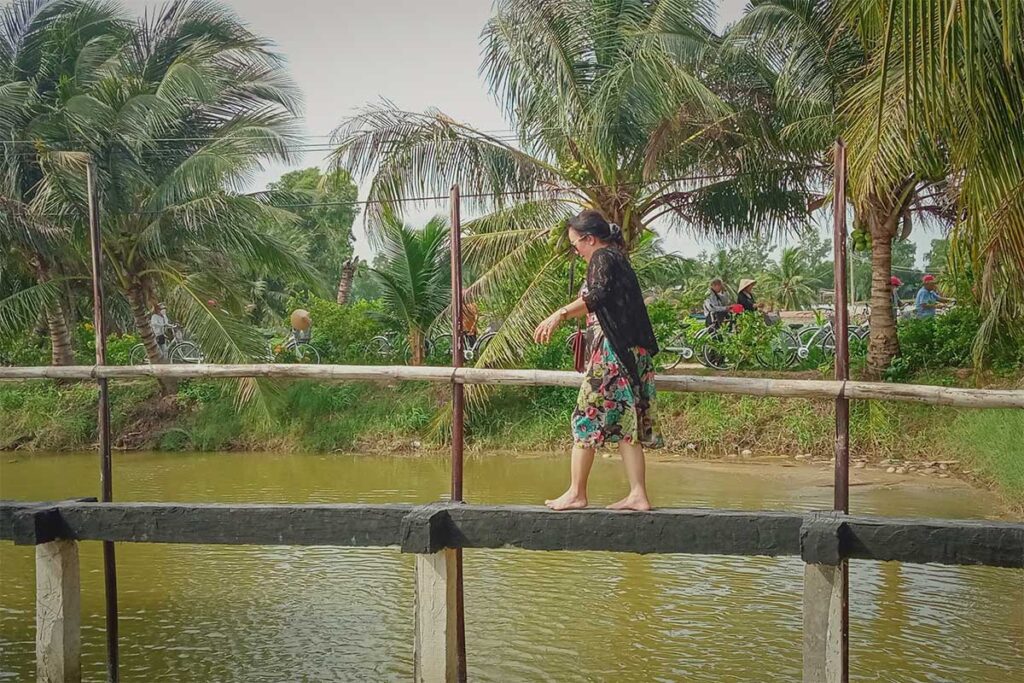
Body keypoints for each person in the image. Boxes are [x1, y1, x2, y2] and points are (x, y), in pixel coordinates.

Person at [533, 209, 661, 511]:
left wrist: (560, 313)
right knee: (627, 424)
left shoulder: (602, 258)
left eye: (575, 243)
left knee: (585, 418)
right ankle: (638, 494)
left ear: (590, 239)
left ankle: (577, 492)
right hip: (634, 352)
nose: (575, 251)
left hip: (612, 353)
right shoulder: (619, 258)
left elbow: (599, 294)